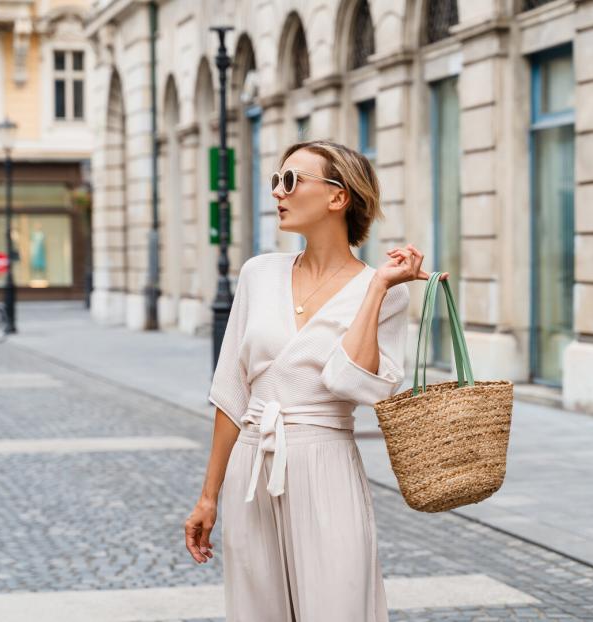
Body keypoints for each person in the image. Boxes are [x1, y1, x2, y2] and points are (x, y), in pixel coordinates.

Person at [184, 139, 448, 621]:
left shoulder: (385, 293)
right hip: (253, 462)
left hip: (325, 463)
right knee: (257, 612)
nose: (278, 193)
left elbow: (358, 385)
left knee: (338, 608)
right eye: (275, 181)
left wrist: (376, 288)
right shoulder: (258, 274)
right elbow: (231, 391)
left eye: (291, 180)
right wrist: (208, 497)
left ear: (337, 196)